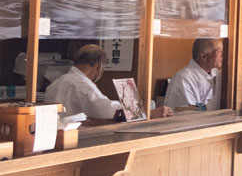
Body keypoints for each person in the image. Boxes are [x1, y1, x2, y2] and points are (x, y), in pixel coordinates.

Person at [43, 44, 172, 122]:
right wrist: (149, 113)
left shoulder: (55, 83)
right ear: (99, 66)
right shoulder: (81, 84)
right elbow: (108, 111)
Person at [166, 38, 223, 112]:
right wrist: (208, 107)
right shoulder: (183, 78)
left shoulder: (216, 73)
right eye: (220, 52)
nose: (223, 55)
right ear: (204, 56)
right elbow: (187, 110)